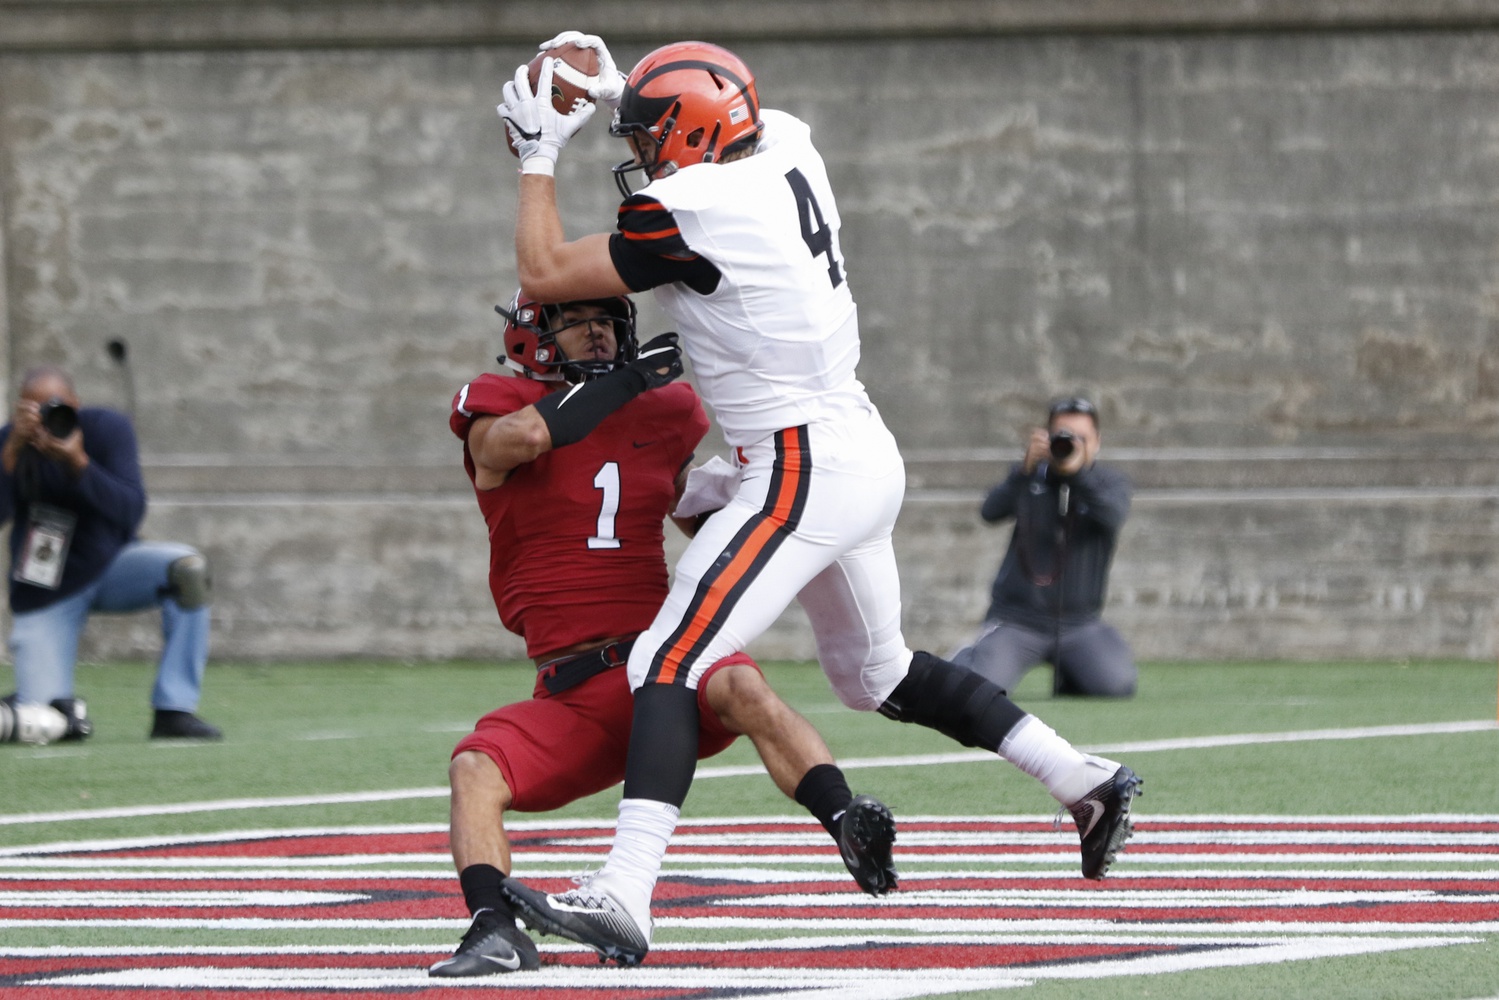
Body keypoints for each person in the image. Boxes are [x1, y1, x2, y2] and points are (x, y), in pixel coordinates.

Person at [492, 34, 1143, 966]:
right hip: (856, 444)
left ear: (689, 138)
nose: (638, 154)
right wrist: (618, 87)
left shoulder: (689, 206)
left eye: (646, 136)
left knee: (665, 660)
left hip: (799, 463)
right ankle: (1081, 779)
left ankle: (625, 893)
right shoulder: (786, 139)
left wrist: (537, 153)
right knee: (875, 674)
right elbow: (708, 121)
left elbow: (545, 274)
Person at [427, 292, 896, 977]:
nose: (596, 331)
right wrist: (623, 385)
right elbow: (522, 440)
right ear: (534, 333)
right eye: (575, 319)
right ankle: (494, 930)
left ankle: (845, 819)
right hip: (573, 690)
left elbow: (687, 509)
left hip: (660, 658)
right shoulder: (502, 409)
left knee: (736, 682)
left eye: (607, 319)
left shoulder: (664, 411)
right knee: (474, 768)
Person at [0, 364, 219, 744]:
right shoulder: (8, 442)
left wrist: (78, 462)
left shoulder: (106, 429)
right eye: (34, 409)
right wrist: (11, 454)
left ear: (75, 404)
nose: (46, 419)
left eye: (55, 407)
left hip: (112, 566)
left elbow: (130, 510)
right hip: (45, 587)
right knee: (48, 722)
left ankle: (174, 710)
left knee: (188, 571)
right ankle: (29, 694)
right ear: (19, 409)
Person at [953, 396, 1137, 698]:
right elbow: (990, 512)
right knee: (979, 687)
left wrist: (1076, 476)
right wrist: (1023, 473)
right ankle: (970, 656)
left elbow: (1112, 516)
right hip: (1017, 620)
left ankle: (1072, 674)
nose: (1072, 444)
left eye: (1081, 438)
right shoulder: (1029, 476)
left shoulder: (1108, 482)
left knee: (1116, 684)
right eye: (1064, 436)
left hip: (1080, 624)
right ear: (1047, 438)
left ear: (1097, 442)